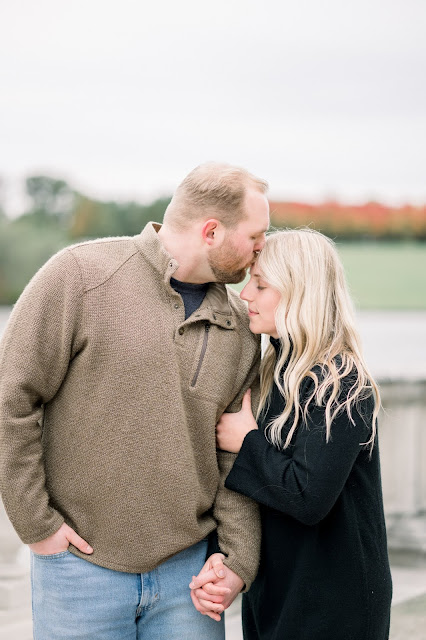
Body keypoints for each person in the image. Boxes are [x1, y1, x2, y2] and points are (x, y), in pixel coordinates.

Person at [0, 162, 270, 639]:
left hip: (190, 581)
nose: (261, 248)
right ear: (211, 231)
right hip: (79, 573)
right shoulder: (80, 276)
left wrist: (237, 559)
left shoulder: (240, 329)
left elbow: (234, 458)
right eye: (255, 234)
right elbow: (10, 398)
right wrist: (37, 527)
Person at [190, 229, 392, 639]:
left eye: (261, 285)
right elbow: (253, 496)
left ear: (302, 294)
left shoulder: (342, 384)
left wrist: (246, 441)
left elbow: (308, 497)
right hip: (276, 591)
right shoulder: (271, 375)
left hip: (337, 603)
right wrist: (222, 559)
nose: (245, 295)